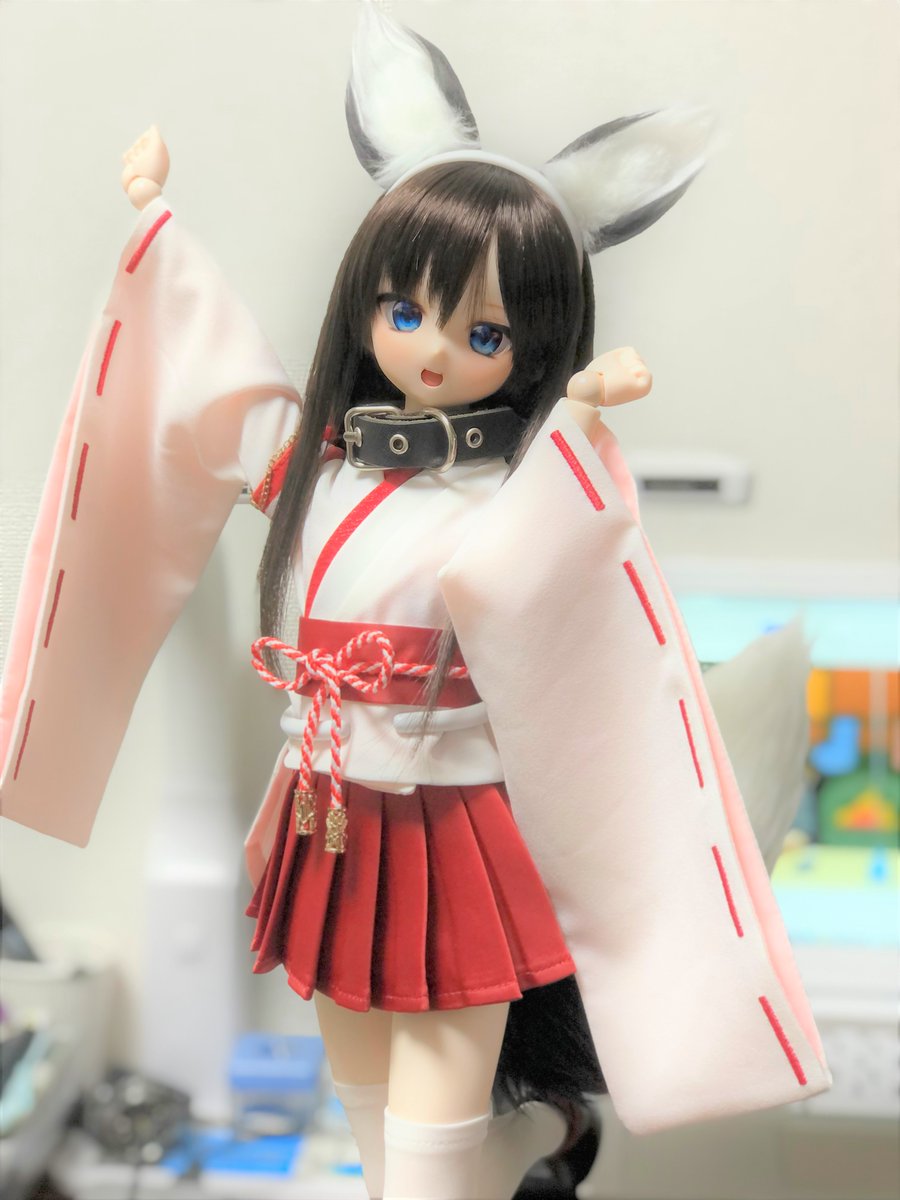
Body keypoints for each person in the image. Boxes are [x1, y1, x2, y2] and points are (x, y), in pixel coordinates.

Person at [0, 8, 830, 1200]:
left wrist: (581, 417)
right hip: (327, 824)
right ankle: (531, 1144)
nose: (434, 351)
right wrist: (158, 236)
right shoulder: (320, 475)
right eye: (406, 311)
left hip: (452, 833)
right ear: (367, 303)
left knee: (430, 1160)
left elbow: (543, 577)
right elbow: (215, 387)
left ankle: (536, 1139)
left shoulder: (511, 493)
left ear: (532, 344)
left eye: (483, 331)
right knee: (380, 1135)